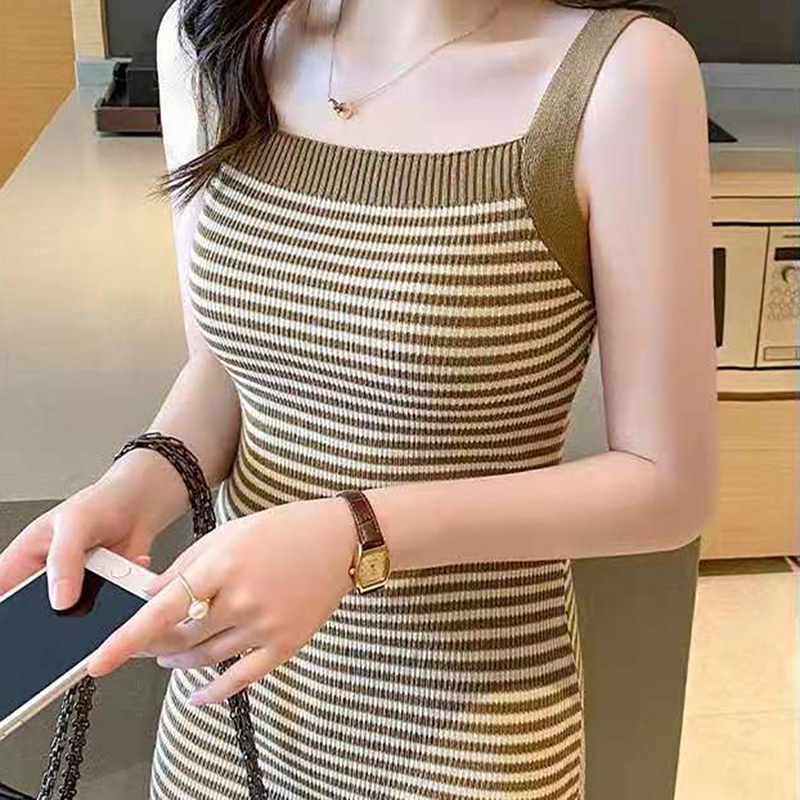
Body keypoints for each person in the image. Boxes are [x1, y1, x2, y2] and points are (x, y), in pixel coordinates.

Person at [0, 0, 718, 797]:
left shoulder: (621, 76)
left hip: (463, 733)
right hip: (225, 716)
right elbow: (231, 367)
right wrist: (137, 484)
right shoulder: (209, 40)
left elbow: (667, 486)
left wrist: (355, 534)